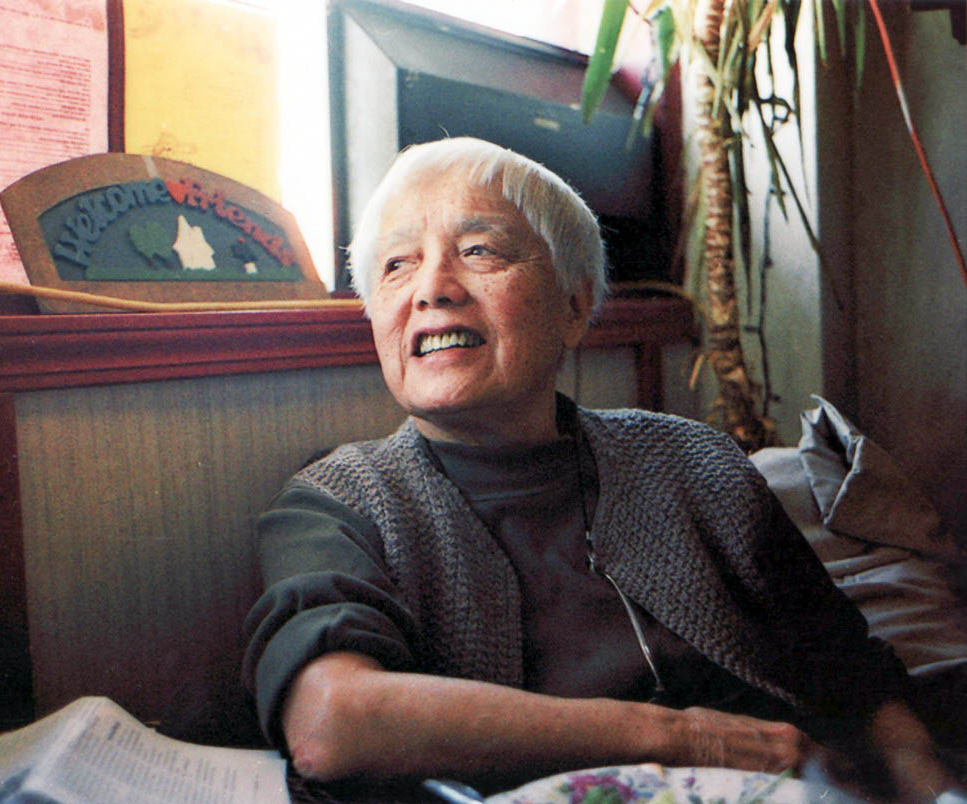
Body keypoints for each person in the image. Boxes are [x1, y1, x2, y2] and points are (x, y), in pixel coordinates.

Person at [242, 137, 958, 801]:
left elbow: (853, 673)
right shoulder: (339, 503)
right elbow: (331, 722)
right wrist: (679, 738)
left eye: (480, 250)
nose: (432, 287)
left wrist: (935, 792)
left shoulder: (695, 462)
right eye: (396, 265)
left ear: (574, 307)